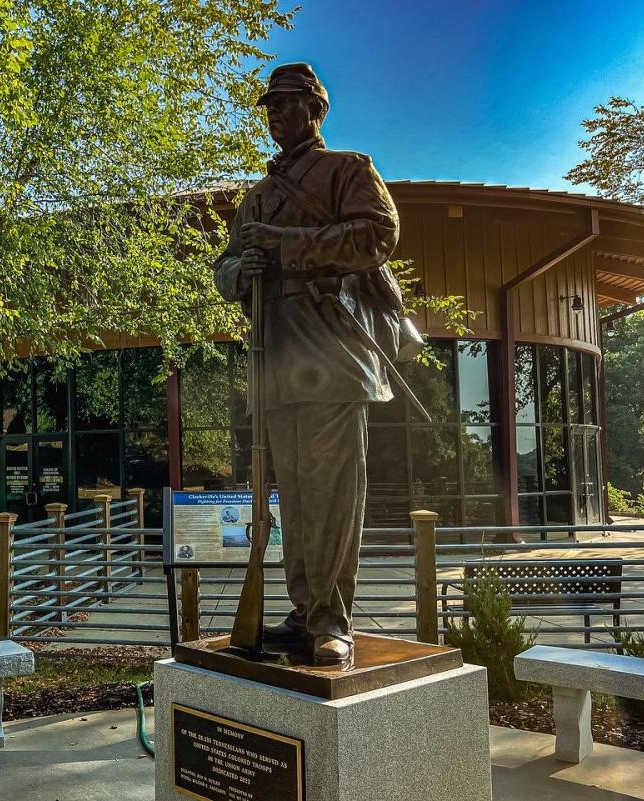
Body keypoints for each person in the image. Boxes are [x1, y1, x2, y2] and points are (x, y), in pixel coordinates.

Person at [213, 63, 400, 666]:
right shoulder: (257, 196)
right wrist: (245, 271)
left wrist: (288, 245)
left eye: (288, 104)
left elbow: (378, 236)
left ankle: (331, 619)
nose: (276, 115)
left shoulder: (347, 169)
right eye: (270, 105)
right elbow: (226, 265)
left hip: (333, 351)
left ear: (316, 109)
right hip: (277, 360)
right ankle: (301, 612)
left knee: (332, 497)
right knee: (291, 499)